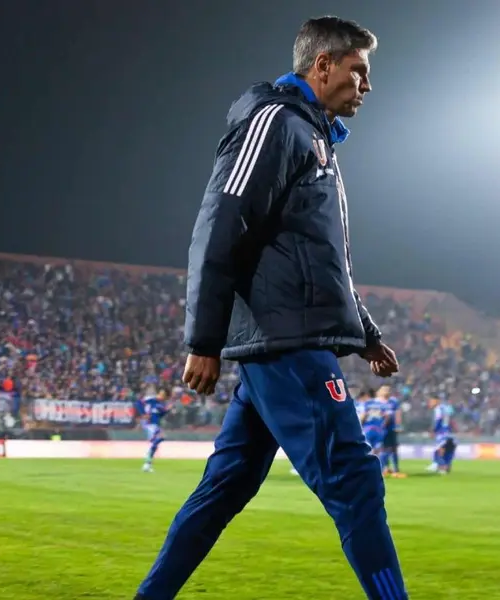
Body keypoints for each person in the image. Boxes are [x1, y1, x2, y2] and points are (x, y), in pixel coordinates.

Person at [134, 16, 408, 600]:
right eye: (358, 71)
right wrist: (202, 340)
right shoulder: (276, 123)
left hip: (287, 338)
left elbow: (321, 256)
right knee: (357, 483)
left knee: (223, 490)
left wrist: (365, 333)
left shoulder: (315, 139)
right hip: (288, 343)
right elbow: (219, 224)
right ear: (323, 65)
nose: (366, 85)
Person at [140, 389, 170, 472]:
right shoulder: (151, 399)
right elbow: (138, 403)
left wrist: (167, 410)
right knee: (160, 437)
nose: (162, 396)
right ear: (159, 393)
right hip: (149, 424)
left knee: (158, 440)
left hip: (154, 424)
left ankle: (147, 463)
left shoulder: (160, 404)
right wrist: (143, 413)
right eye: (161, 394)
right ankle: (147, 459)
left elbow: (161, 414)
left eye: (164, 395)